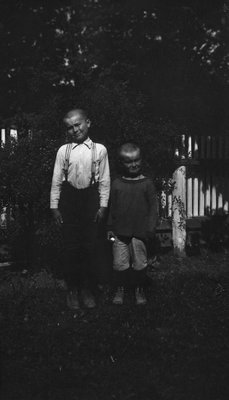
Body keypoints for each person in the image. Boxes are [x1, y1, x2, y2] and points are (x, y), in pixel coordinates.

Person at [50, 108, 110, 310]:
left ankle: (87, 288)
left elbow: (104, 181)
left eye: (78, 124)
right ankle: (72, 289)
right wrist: (54, 207)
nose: (75, 130)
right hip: (69, 200)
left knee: (90, 247)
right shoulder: (63, 151)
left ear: (88, 123)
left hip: (90, 199)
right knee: (71, 247)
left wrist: (102, 206)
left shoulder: (99, 150)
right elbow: (57, 181)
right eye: (70, 127)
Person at [107, 142, 158, 306]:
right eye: (129, 161)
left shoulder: (147, 184)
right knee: (119, 263)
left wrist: (150, 228)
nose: (134, 164)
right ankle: (120, 288)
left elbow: (153, 208)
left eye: (137, 160)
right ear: (122, 163)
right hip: (119, 233)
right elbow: (111, 207)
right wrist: (109, 227)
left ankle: (139, 289)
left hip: (140, 233)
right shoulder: (117, 183)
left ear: (141, 159)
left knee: (139, 263)